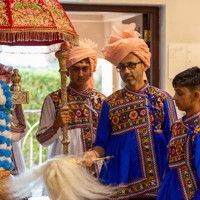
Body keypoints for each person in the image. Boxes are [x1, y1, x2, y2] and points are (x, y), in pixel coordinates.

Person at [82, 23, 177, 200]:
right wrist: (93, 154)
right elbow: (101, 142)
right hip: (118, 182)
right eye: (122, 67)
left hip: (157, 183)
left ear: (144, 64)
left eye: (131, 65)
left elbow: (174, 141)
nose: (126, 71)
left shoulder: (163, 99)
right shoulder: (110, 103)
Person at [36, 38, 106, 177]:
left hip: (94, 169)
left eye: (84, 69)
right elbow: (42, 140)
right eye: (75, 69)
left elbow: (107, 138)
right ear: (67, 71)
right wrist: (57, 125)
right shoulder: (54, 100)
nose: (80, 74)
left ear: (91, 70)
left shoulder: (101, 100)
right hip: (64, 170)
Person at [156, 66, 200, 200]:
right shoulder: (177, 126)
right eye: (175, 92)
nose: (174, 98)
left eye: (180, 93)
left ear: (197, 95)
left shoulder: (197, 128)